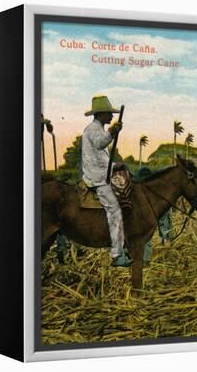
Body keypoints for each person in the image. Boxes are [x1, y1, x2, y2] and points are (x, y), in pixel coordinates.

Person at [81, 95, 131, 267]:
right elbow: (100, 144)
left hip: (103, 172)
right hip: (97, 178)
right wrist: (113, 132)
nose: (111, 116)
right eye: (109, 113)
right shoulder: (93, 130)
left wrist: (117, 165)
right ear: (101, 114)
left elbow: (102, 158)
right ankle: (117, 255)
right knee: (115, 210)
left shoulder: (99, 129)